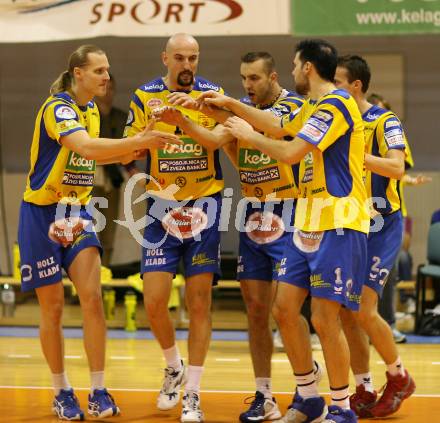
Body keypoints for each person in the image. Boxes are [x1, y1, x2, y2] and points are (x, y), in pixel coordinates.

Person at [200, 39, 369, 423]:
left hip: (338, 221)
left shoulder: (337, 103)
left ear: (307, 68)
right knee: (284, 309)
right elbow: (277, 124)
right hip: (307, 221)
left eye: (295, 65)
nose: (293, 72)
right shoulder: (312, 107)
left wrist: (245, 134)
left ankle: (342, 407)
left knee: (326, 319)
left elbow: (290, 152)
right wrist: (229, 105)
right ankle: (309, 395)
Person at [155, 51, 323, 423]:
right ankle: (264, 394)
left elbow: (271, 127)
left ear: (273, 77)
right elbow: (214, 140)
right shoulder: (244, 108)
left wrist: (225, 107)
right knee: (257, 309)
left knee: (287, 308)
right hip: (253, 213)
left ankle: (305, 383)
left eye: (254, 79)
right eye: (243, 78)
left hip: (290, 211)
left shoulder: (292, 105)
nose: (248, 86)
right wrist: (182, 118)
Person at [17, 44, 179, 421]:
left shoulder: (90, 110)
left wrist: (141, 143)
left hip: (77, 212)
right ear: (78, 74)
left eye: (107, 70)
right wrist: (138, 142)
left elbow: (102, 155)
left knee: (92, 298)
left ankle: (98, 389)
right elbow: (85, 147)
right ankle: (61, 391)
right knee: (53, 308)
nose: (107, 77)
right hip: (41, 214)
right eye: (99, 71)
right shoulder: (59, 108)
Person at [123, 33, 226, 423]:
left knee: (199, 303)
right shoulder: (143, 95)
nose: (187, 65)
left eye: (193, 58)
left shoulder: (213, 95)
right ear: (165, 58)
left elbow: (219, 142)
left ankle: (193, 394)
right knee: (154, 301)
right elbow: (130, 147)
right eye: (180, 58)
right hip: (160, 209)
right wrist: (148, 134)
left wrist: (186, 117)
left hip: (206, 205)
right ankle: (172, 366)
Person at [335, 55, 416, 418]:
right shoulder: (335, 121)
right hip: (350, 225)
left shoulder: (383, 120)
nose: (331, 87)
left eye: (337, 81)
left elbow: (397, 167)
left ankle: (399, 377)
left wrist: (359, 157)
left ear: (356, 85)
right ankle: (365, 387)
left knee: (364, 310)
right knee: (348, 313)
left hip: (382, 225)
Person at [93, 73, 130, 267]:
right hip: (89, 179)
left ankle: (103, 277)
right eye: (105, 87)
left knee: (108, 233)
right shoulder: (87, 115)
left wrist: (133, 172)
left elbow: (128, 151)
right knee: (87, 232)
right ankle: (82, 284)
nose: (108, 92)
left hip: (113, 180)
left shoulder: (121, 117)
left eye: (111, 88)